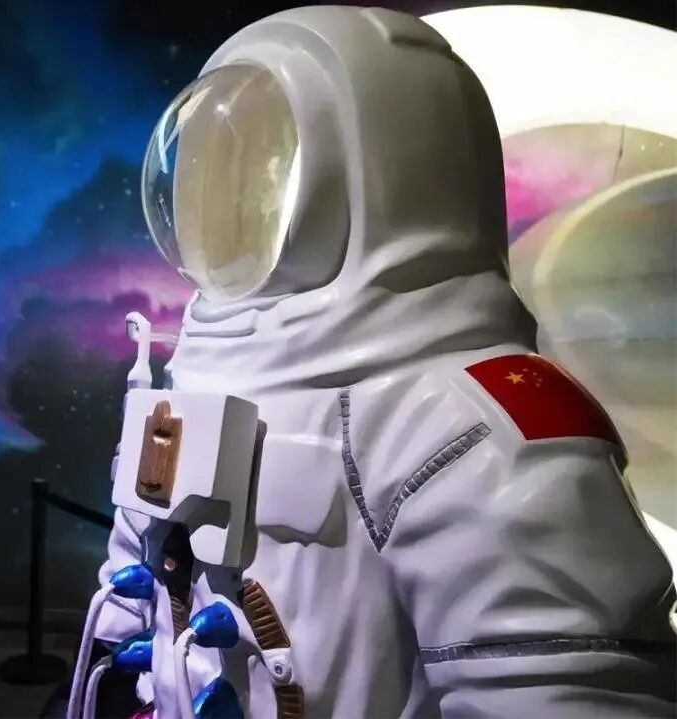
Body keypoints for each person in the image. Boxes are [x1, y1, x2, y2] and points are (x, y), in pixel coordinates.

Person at [68, 6, 677, 717]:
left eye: (275, 168)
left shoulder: (470, 428)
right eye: (225, 169)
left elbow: (563, 697)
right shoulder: (194, 374)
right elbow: (135, 586)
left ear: (391, 174)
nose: (240, 199)